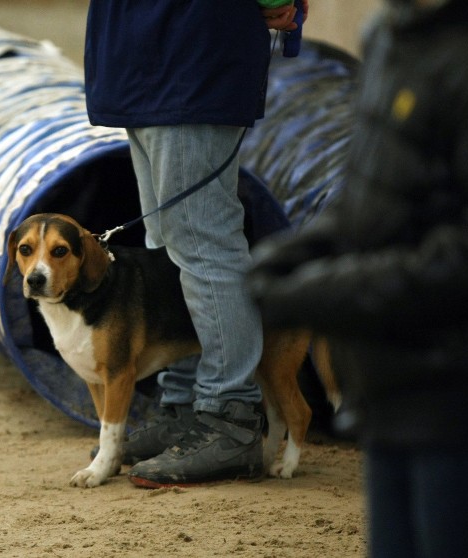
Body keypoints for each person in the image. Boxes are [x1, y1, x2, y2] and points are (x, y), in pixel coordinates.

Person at [246, 0, 468, 555]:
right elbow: (368, 195)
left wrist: (330, 291)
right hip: (390, 385)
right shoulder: (392, 33)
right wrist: (290, 252)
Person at [83, 0, 307, 487]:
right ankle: (187, 402)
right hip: (151, 60)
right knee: (169, 243)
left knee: (202, 244)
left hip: (186, 58)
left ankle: (229, 416)